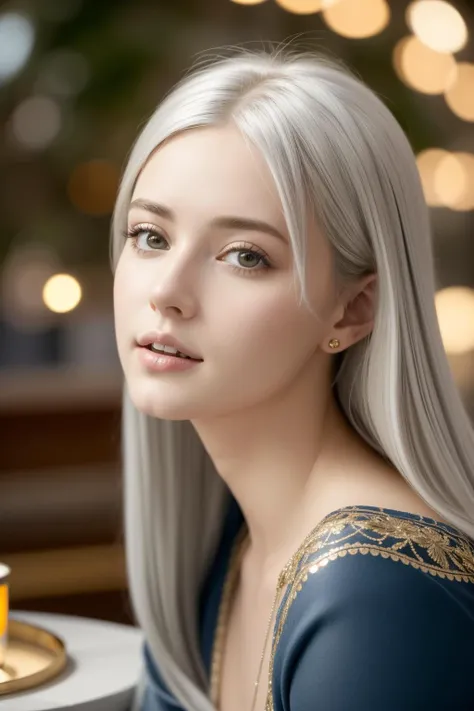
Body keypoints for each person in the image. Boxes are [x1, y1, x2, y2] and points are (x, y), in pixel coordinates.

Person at [111, 44, 474, 711]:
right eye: (150, 235)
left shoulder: (375, 601)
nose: (166, 291)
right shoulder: (232, 532)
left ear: (354, 307)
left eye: (245, 256)